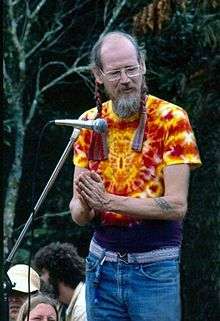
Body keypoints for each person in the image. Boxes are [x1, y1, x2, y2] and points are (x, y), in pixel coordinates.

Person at [69, 31, 202, 321]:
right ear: (98, 76)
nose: (126, 79)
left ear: (142, 65)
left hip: (153, 267)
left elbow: (177, 205)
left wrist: (108, 201)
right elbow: (77, 214)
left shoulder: (171, 118)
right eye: (116, 72)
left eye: (132, 68)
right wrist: (87, 203)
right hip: (100, 265)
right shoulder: (89, 123)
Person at [34, 242, 87, 321]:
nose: (41, 279)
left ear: (57, 273)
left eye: (44, 272)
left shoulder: (82, 309)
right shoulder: (65, 305)